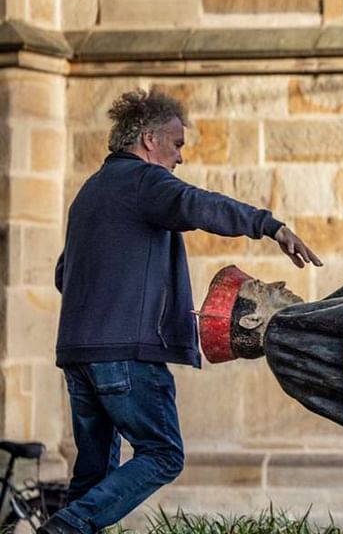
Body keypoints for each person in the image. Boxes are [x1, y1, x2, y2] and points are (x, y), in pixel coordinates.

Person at [40, 89, 323, 534]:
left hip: (79, 356)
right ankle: (67, 526)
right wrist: (269, 225)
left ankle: (68, 524)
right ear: (149, 140)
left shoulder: (89, 193)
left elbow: (65, 275)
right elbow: (200, 204)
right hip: (127, 358)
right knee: (162, 454)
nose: (180, 157)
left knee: (93, 474)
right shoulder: (144, 182)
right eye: (177, 145)